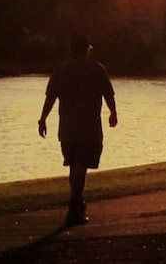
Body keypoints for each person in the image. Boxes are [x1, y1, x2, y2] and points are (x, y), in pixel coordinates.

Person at [38, 33, 118, 226]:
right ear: (88, 49)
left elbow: (51, 97)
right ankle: (75, 203)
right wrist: (113, 113)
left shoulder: (61, 70)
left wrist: (43, 119)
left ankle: (76, 202)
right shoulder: (97, 69)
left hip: (67, 126)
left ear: (71, 49)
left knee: (74, 164)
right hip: (89, 126)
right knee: (80, 165)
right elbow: (108, 93)